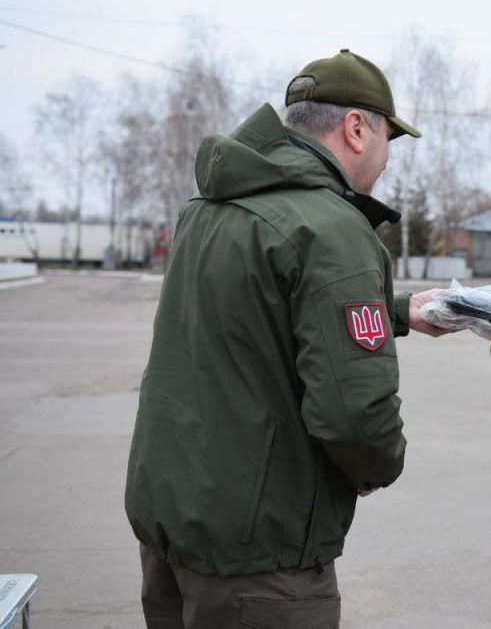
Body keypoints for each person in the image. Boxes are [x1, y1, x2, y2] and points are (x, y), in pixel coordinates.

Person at [124, 49, 448, 626]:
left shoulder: (210, 208)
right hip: (261, 554)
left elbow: (252, 313)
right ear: (355, 128)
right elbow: (353, 413)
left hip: (175, 522)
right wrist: (373, 468)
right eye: (386, 140)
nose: (385, 159)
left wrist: (397, 311)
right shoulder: (330, 227)